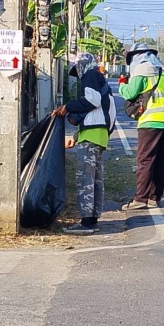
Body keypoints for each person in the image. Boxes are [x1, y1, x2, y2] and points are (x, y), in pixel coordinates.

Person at [52, 52, 117, 235]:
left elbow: (92, 100)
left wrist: (68, 107)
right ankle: (93, 218)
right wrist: (76, 135)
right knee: (95, 180)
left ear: (82, 65)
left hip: (91, 134)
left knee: (85, 179)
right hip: (99, 134)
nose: (78, 73)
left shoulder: (90, 75)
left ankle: (87, 222)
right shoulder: (100, 78)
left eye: (77, 68)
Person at [119, 42, 164, 210]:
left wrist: (122, 85)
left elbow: (130, 93)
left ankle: (140, 199)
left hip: (150, 121)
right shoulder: (162, 74)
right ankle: (154, 197)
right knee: (160, 160)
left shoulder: (140, 71)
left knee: (145, 160)